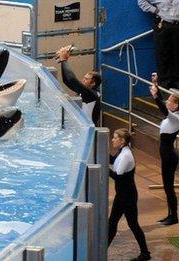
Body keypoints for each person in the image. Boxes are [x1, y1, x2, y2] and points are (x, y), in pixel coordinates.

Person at [108, 128, 151, 261]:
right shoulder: (122, 151)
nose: (112, 140)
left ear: (122, 141)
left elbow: (117, 176)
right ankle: (102, 250)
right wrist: (99, 150)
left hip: (127, 198)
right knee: (113, 223)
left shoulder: (126, 155)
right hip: (122, 195)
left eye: (115, 138)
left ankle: (145, 253)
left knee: (132, 225)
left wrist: (103, 168)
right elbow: (112, 160)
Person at [150, 72, 179, 226]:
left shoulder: (176, 117)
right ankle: (170, 214)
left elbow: (162, 108)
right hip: (166, 153)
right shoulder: (172, 114)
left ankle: (174, 216)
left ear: (177, 105)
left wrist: (155, 96)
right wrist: (155, 83)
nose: (167, 102)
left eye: (171, 100)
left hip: (169, 155)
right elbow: (163, 105)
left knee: (168, 187)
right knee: (167, 187)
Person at [138, 0, 179, 89]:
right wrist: (155, 10)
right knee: (162, 54)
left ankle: (176, 82)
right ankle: (164, 83)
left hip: (177, 25)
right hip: (162, 24)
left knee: (177, 54)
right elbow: (141, 1)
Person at [57, 45, 101, 125]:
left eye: (87, 79)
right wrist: (63, 61)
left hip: (88, 130)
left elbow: (72, 80)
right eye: (84, 78)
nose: (83, 80)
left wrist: (64, 60)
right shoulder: (82, 92)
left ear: (93, 84)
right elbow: (66, 81)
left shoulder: (93, 95)